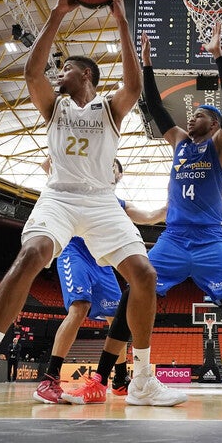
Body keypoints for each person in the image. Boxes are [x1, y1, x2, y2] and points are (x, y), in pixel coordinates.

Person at [0, 0, 185, 413]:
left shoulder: (109, 109)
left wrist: (120, 17)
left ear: (87, 77)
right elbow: (31, 74)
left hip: (100, 201)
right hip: (59, 196)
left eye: (69, 68)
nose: (60, 73)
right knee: (32, 254)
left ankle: (143, 381)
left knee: (145, 276)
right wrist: (58, 11)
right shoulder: (53, 107)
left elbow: (134, 84)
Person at [64, 25, 222, 407]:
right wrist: (147, 65)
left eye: (198, 114)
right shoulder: (180, 143)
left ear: (212, 124)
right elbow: (154, 106)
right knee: (133, 293)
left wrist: (219, 57)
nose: (191, 116)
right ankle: (99, 379)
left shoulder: (220, 146)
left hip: (211, 240)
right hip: (173, 238)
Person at [34, 158, 165, 404]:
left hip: (103, 262)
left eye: (113, 168)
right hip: (75, 254)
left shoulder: (117, 204)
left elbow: (149, 216)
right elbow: (47, 166)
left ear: (118, 177)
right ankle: (49, 378)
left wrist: (172, 206)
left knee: (118, 320)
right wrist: (57, 156)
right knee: (79, 308)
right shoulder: (78, 185)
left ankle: (118, 379)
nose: (108, 169)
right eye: (105, 165)